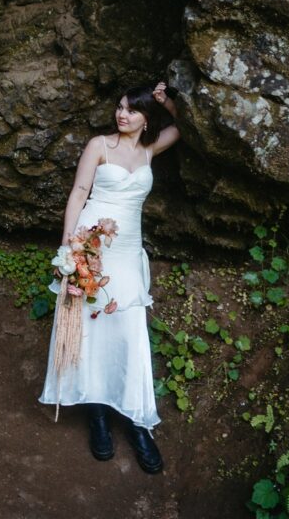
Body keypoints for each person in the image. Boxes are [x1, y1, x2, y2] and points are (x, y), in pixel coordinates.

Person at [39, 81, 180, 473]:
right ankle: (97, 414)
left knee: (128, 330)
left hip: (128, 252)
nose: (122, 115)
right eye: (119, 107)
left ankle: (136, 422)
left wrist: (165, 100)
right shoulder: (99, 146)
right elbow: (79, 192)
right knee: (90, 327)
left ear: (145, 118)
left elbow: (184, 127)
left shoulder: (151, 148)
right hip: (93, 245)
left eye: (132, 110)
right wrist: (70, 246)